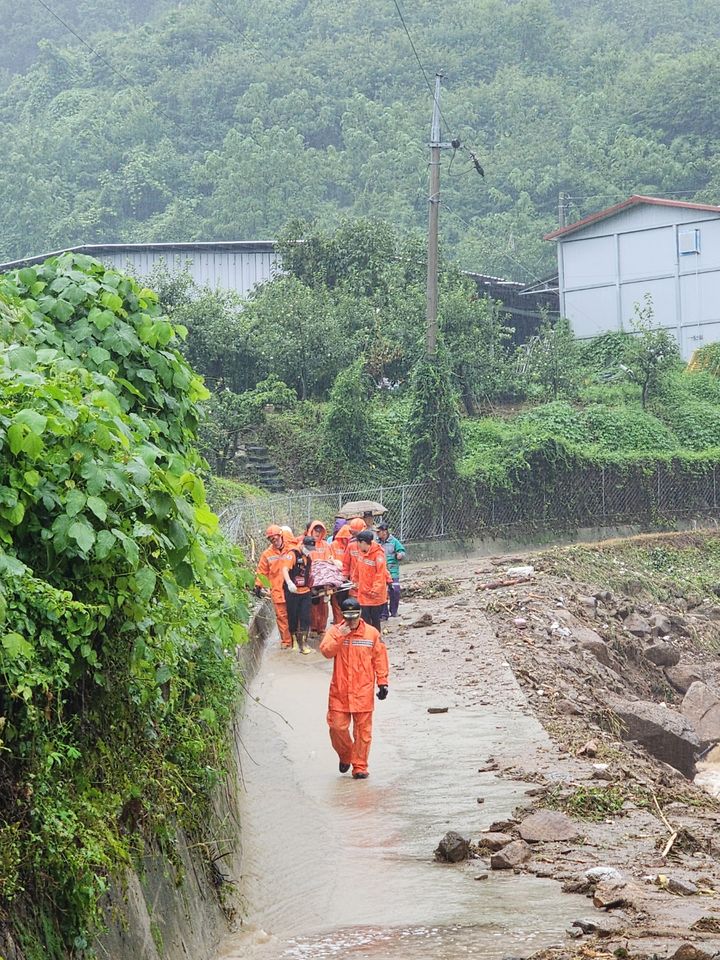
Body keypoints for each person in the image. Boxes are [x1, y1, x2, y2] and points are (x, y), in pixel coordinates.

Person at [320, 597, 389, 779]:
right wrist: (340, 635)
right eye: (347, 617)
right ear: (342, 615)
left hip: (363, 691)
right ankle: (346, 755)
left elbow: (379, 658)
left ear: (360, 615)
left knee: (363, 733)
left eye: (354, 617)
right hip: (340, 691)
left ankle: (360, 766)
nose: (351, 621)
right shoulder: (335, 631)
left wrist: (382, 682)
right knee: (336, 727)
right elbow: (326, 651)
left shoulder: (372, 634)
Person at [254, 525, 293, 649]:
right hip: (277, 590)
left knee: (294, 615)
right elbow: (262, 571)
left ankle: (298, 640)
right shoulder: (267, 554)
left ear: (281, 536)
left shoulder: (292, 549)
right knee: (281, 617)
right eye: (271, 540)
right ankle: (287, 642)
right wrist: (258, 585)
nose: (274, 541)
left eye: (275, 538)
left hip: (293, 590)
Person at [282, 535, 315, 655]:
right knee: (293, 617)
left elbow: (310, 572)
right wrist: (289, 582)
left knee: (306, 617)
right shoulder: (293, 554)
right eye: (308, 547)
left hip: (305, 591)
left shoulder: (308, 557)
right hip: (293, 592)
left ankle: (304, 642)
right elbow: (285, 569)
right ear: (302, 545)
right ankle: (294, 640)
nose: (309, 550)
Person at [353, 529, 390, 631]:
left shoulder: (378, 555)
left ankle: (376, 639)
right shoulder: (361, 553)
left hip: (375, 595)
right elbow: (358, 568)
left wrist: (375, 590)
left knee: (375, 619)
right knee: (365, 619)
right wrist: (355, 580)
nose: (357, 545)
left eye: (358, 543)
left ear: (364, 543)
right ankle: (367, 638)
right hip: (364, 593)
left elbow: (381, 574)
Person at [305, 519, 332, 635]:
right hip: (311, 579)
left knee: (324, 604)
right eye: (315, 530)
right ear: (311, 531)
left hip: (324, 579)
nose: (317, 533)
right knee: (313, 605)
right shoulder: (306, 544)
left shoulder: (326, 545)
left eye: (320, 531)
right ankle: (314, 627)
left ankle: (321, 628)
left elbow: (329, 560)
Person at [377, 522, 406, 620]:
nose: (377, 533)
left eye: (379, 531)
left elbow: (402, 551)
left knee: (395, 590)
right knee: (382, 592)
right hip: (381, 571)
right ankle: (384, 614)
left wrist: (400, 555)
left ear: (384, 532)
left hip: (393, 570)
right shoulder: (376, 542)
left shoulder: (394, 541)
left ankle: (394, 611)